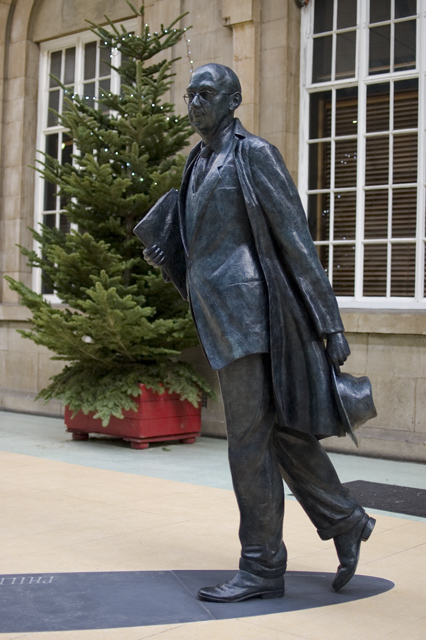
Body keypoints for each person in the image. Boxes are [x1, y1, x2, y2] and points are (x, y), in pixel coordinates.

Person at [143, 63, 375, 603]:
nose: (194, 102)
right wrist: (167, 254)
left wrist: (330, 323)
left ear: (234, 100)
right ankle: (345, 519)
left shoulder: (254, 155)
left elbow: (296, 240)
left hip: (255, 318)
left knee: (248, 443)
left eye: (206, 94)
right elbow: (204, 245)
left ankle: (262, 566)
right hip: (221, 315)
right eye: (190, 94)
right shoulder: (197, 162)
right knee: (278, 434)